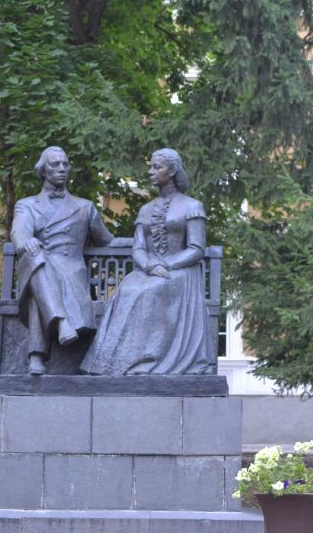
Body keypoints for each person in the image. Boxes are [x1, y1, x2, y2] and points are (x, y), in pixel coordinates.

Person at [81, 148, 213, 376]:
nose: (150, 171)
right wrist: (151, 265)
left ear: (171, 170)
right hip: (149, 270)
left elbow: (196, 249)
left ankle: (145, 362)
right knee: (128, 290)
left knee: (149, 291)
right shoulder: (146, 209)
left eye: (156, 167)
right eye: (151, 166)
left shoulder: (192, 207)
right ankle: (110, 365)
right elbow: (139, 248)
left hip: (181, 272)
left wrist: (167, 265)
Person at [12, 146, 118, 375]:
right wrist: (26, 242)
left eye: (65, 164)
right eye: (55, 164)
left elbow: (106, 240)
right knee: (37, 259)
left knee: (37, 285)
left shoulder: (84, 207)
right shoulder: (27, 205)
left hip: (70, 270)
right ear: (43, 170)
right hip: (41, 261)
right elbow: (20, 232)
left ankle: (37, 356)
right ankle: (61, 322)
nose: (62, 169)